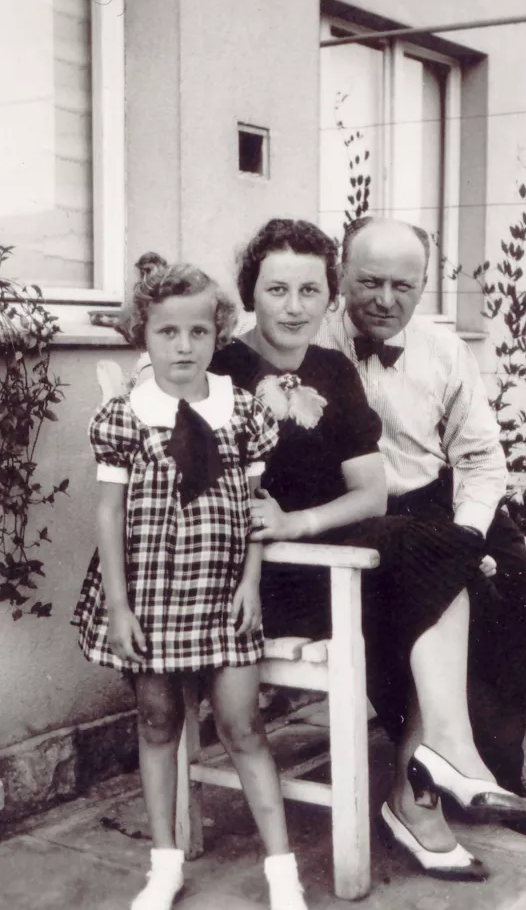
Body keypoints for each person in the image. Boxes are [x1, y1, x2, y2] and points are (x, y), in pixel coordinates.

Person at [211, 217, 526, 884]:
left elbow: (370, 495)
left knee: (447, 554)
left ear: (327, 297)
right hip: (253, 582)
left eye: (309, 290)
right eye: (277, 289)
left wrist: (297, 521)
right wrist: (281, 532)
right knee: (447, 570)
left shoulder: (333, 369)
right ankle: (436, 776)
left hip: (324, 555)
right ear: (251, 293)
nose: (294, 306)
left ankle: (440, 762)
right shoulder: (221, 369)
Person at [316, 215, 526, 847]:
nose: (386, 300)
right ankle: (460, 775)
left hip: (445, 505)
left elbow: (483, 459)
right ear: (340, 276)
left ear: (426, 283)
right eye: (369, 281)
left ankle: (490, 758)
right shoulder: (305, 343)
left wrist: (466, 536)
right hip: (361, 519)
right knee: (408, 626)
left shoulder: (443, 350)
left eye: (404, 285)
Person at [73, 257, 308, 910]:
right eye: (167, 333)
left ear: (218, 334)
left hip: (222, 593)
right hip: (148, 597)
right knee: (156, 721)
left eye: (198, 333)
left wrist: (251, 586)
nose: (183, 346)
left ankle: (282, 873)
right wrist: (119, 606)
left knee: (243, 725)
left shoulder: (241, 413)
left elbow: (255, 511)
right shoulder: (126, 416)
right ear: (143, 337)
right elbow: (108, 512)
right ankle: (165, 864)